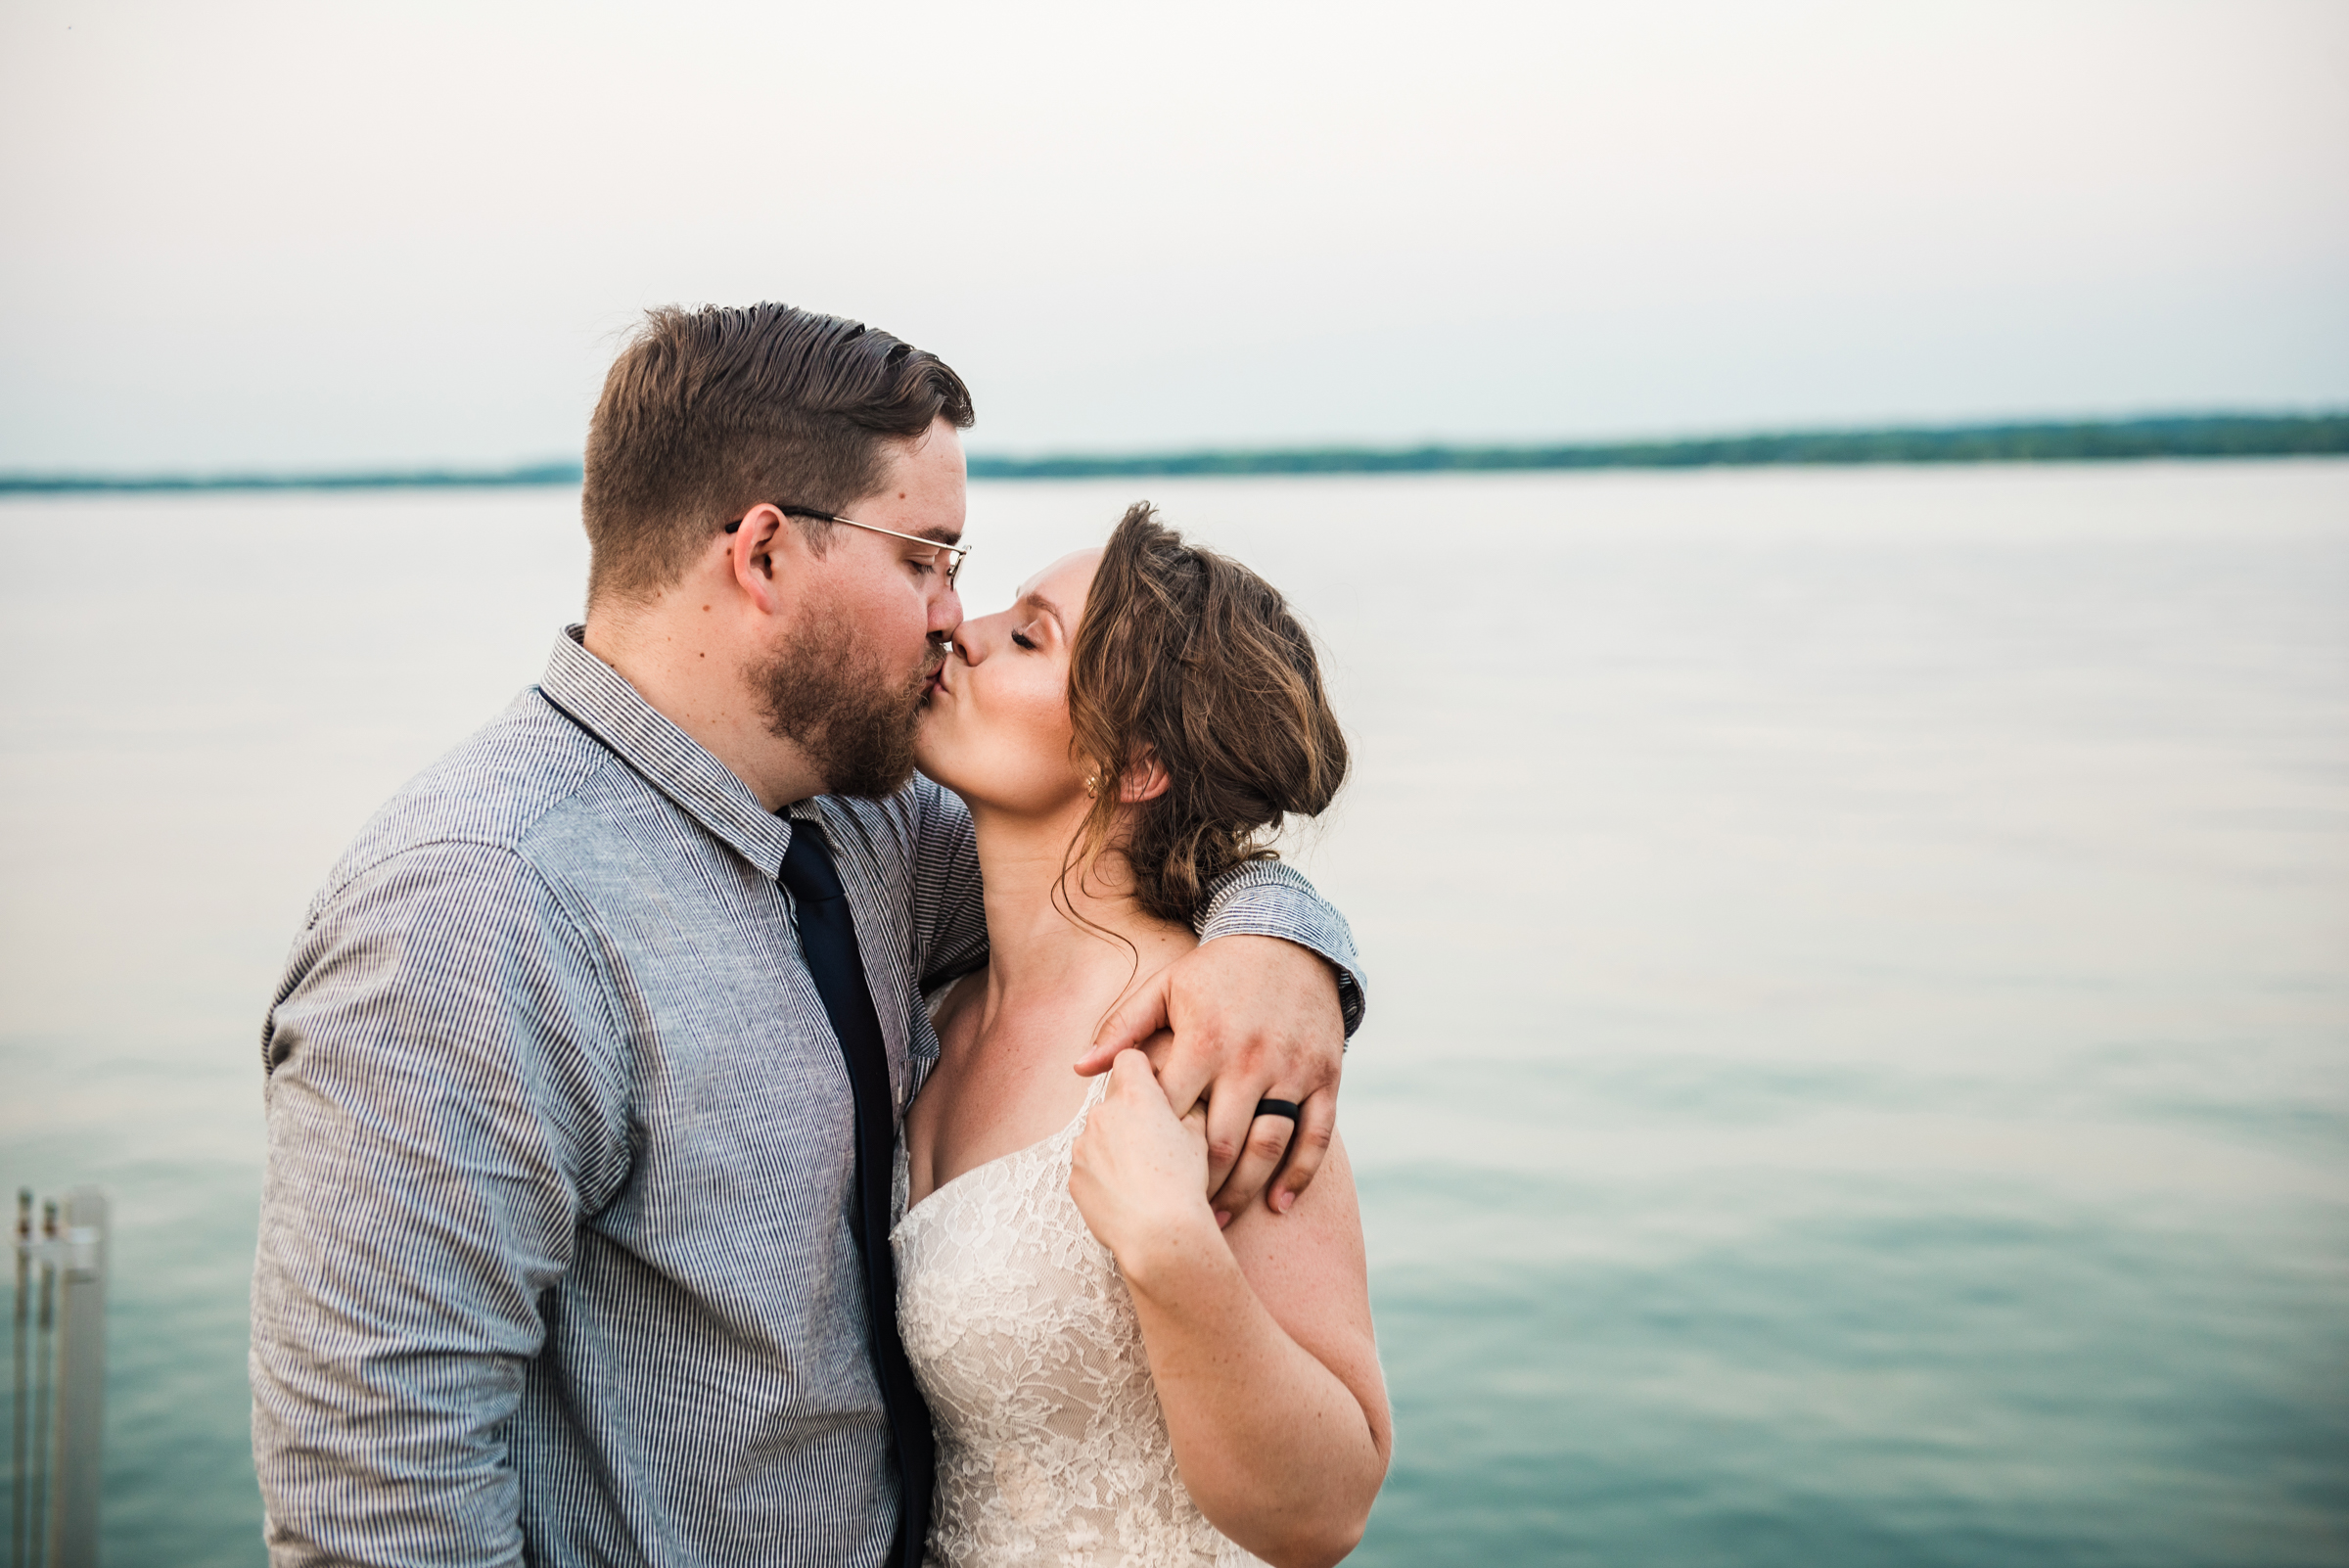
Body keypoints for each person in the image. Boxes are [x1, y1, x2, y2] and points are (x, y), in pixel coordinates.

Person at [249, 304, 1365, 1568]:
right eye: (926, 558)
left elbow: (1136, 863)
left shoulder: (872, 822)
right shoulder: (475, 911)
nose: (952, 615)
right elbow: (381, 1504)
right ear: (765, 555)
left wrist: (1284, 951)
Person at [896, 506, 1391, 1567]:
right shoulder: (938, 1010)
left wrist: (1173, 1249)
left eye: (1027, 636)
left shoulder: (1218, 1045)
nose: (962, 631)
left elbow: (1330, 1509)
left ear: (1134, 766)